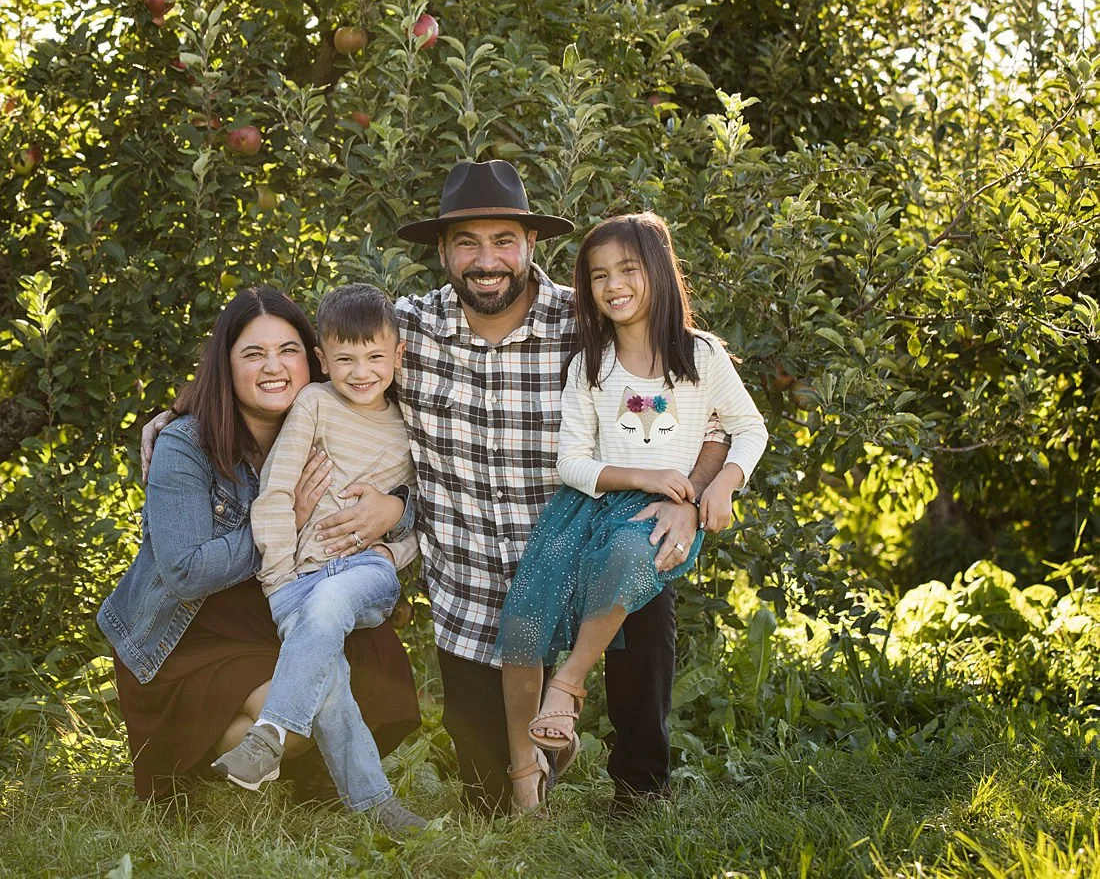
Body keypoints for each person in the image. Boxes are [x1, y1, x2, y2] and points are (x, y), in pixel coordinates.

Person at [140, 161, 730, 815]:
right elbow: (304, 363)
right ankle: (533, 761)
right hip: (472, 590)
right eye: (467, 243)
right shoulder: (405, 335)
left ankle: (642, 787)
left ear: (531, 245)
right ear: (443, 252)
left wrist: (691, 498)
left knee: (640, 571)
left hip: (571, 553)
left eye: (504, 240)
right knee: (487, 804)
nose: (487, 260)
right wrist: (187, 414)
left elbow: (705, 411)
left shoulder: (586, 324)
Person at [96, 288, 420, 809]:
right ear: (226, 365)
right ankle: (206, 757)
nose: (274, 366)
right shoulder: (186, 443)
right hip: (193, 632)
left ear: (312, 359)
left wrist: (396, 510)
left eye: (288, 350)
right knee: (297, 715)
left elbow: (424, 494)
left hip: (274, 610)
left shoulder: (338, 416)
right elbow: (184, 573)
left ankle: (311, 777)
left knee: (373, 660)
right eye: (253, 353)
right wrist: (283, 522)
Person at [494, 212, 769, 811]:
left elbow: (749, 428)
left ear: (659, 274)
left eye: (627, 269)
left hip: (659, 515)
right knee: (523, 620)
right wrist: (643, 476)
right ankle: (529, 782)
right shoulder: (590, 365)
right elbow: (571, 462)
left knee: (628, 558)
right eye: (598, 276)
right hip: (586, 507)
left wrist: (720, 486)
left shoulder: (700, 357)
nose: (613, 285)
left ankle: (567, 689)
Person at [210, 283, 427, 833]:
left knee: (332, 599)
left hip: (366, 573)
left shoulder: (409, 428)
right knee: (331, 689)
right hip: (299, 581)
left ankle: (272, 733)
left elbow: (420, 519)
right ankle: (380, 809)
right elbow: (276, 492)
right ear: (322, 359)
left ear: (398, 356)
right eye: (346, 359)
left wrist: (390, 549)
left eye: (376, 357)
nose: (362, 372)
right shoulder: (314, 404)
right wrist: (279, 582)